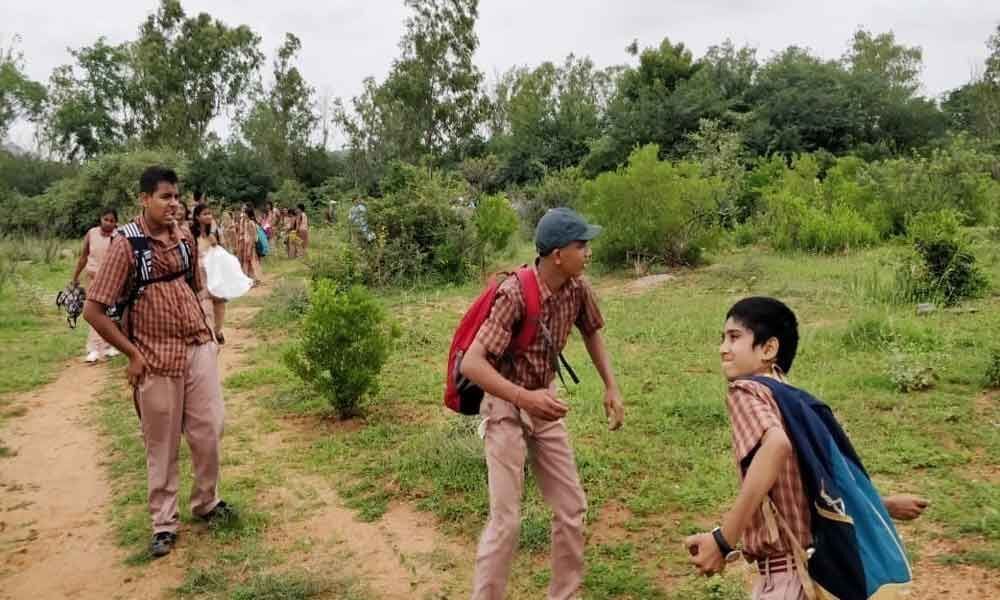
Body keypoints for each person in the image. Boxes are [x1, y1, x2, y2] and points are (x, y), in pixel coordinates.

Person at [684, 297, 929, 599]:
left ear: (768, 348)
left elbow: (775, 447)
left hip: (787, 578)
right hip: (819, 575)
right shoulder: (798, 403)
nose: (723, 348)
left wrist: (723, 540)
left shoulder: (746, 391)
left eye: (734, 337)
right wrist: (884, 504)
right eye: (722, 338)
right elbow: (817, 483)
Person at [460, 207, 625, 600]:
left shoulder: (578, 288)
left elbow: (592, 332)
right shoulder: (514, 293)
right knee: (507, 521)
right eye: (581, 245)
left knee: (571, 508)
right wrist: (522, 397)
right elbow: (472, 362)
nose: (588, 252)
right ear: (557, 255)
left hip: (543, 401)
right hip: (504, 405)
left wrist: (611, 387)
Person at [82, 166, 233, 559]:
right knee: (161, 443)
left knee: (210, 427)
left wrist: (211, 332)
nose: (173, 204)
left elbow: (196, 288)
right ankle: (164, 523)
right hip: (154, 357)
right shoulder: (126, 245)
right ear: (144, 199)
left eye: (176, 196)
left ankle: (207, 501)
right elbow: (94, 310)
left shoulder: (185, 238)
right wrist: (131, 354)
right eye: (164, 197)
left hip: (196, 345)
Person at [69, 207, 120, 363]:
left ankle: (110, 346)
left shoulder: (118, 236)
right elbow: (83, 257)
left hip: (111, 280)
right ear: (100, 219)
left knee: (111, 314)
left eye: (112, 221)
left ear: (116, 222)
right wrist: (75, 277)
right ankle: (93, 349)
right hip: (92, 279)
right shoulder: (91, 234)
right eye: (106, 219)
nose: (108, 223)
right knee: (93, 313)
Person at [191, 203, 226, 344]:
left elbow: (220, 250)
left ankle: (217, 331)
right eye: (205, 214)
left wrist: (212, 235)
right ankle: (210, 335)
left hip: (215, 272)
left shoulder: (215, 232)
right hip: (200, 274)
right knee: (205, 306)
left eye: (210, 214)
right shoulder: (192, 234)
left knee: (220, 303)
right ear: (197, 217)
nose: (208, 216)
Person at [235, 204, 262, 283]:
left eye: (245, 213)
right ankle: (252, 279)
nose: (243, 214)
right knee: (249, 262)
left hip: (250, 245)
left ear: (248, 214)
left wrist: (249, 248)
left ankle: (255, 279)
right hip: (247, 244)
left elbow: (252, 237)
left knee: (251, 262)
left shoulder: (250, 223)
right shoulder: (248, 222)